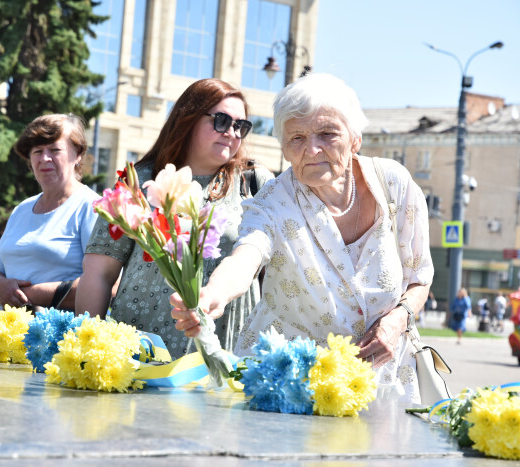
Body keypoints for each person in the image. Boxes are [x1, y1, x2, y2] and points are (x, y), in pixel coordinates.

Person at [170, 73, 434, 403]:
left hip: (383, 379)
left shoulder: (393, 184)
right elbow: (246, 255)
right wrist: (211, 295)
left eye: (327, 134)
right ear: (283, 146)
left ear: (354, 139)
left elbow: (420, 277)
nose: (312, 149)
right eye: (297, 137)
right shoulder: (272, 202)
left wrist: (396, 322)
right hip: (292, 385)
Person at [75, 78, 274, 358]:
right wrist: (87, 348)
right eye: (221, 120)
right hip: (138, 349)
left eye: (240, 126)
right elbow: (99, 273)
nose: (231, 132)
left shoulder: (254, 184)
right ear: (187, 120)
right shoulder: (139, 181)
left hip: (224, 351)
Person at [0, 114, 100, 311]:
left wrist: (28, 295)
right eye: (37, 151)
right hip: (10, 334)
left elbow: (107, 285)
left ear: (78, 154)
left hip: (64, 338)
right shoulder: (22, 209)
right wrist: (0, 288)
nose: (45, 158)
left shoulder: (92, 207)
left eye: (55, 150)